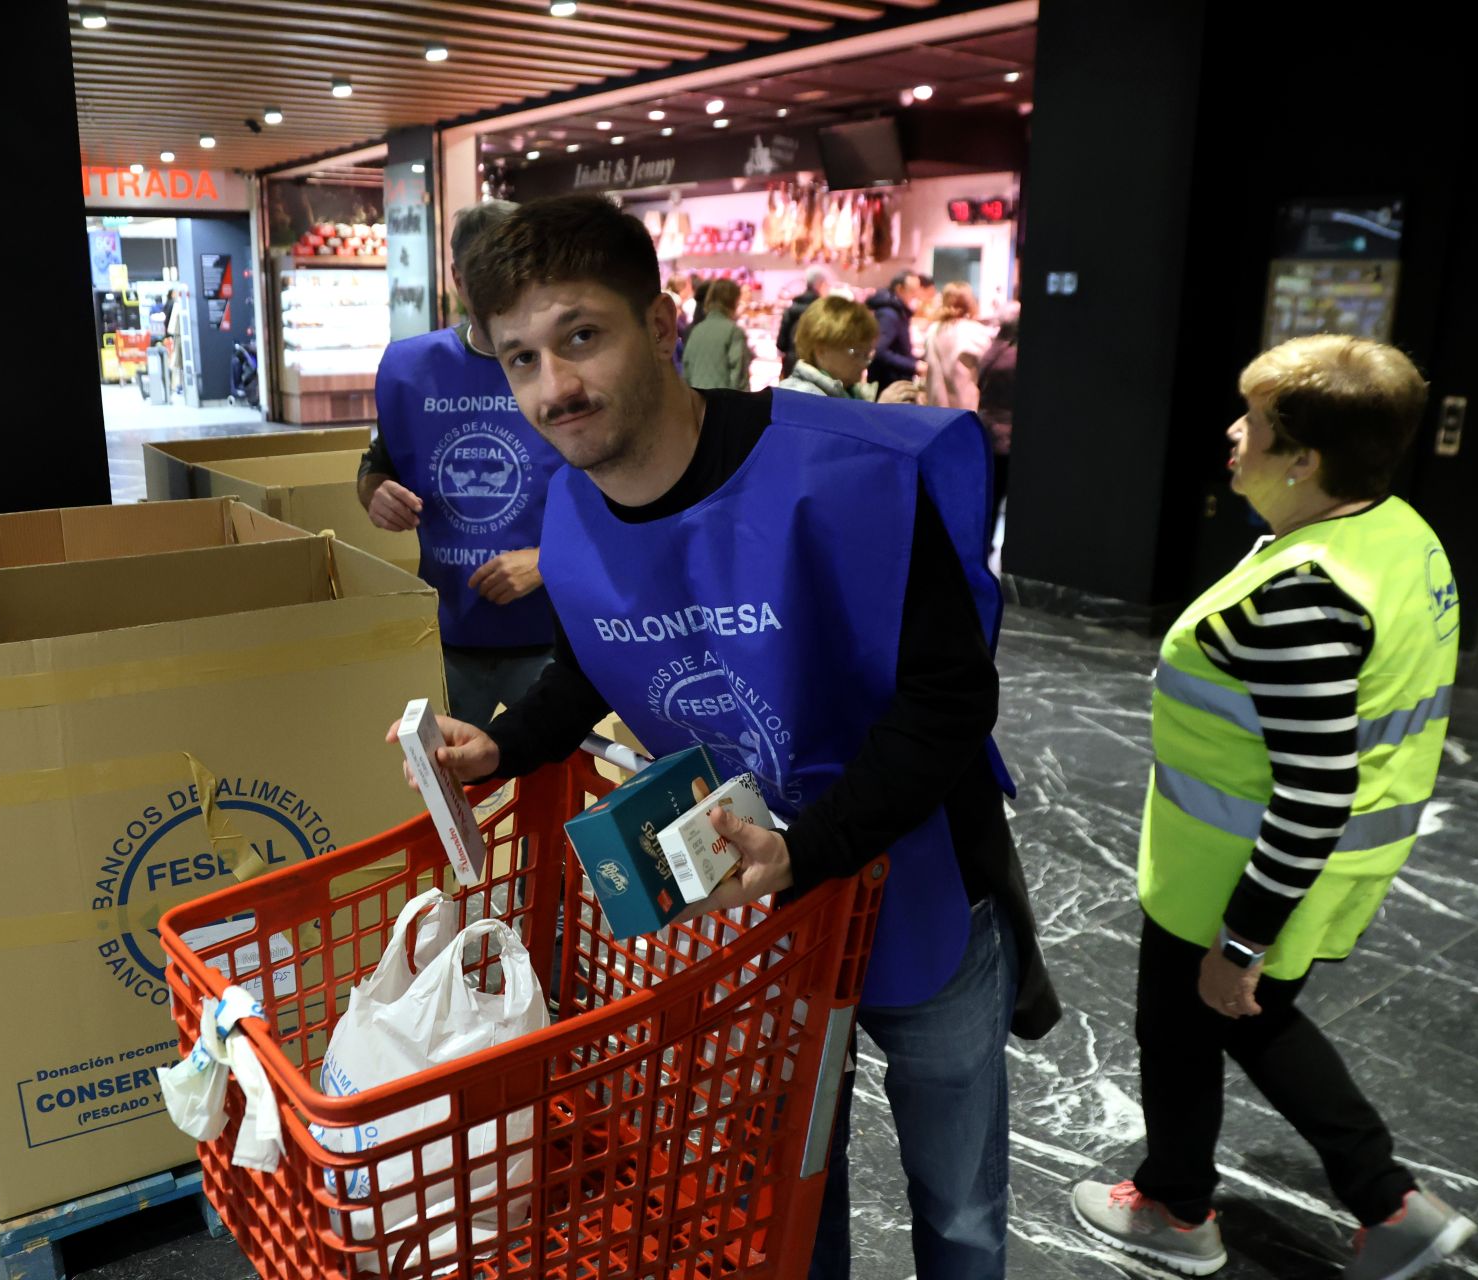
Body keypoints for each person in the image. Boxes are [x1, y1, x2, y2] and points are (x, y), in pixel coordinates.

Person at [389, 193, 1059, 1280]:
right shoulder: (569, 509)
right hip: (763, 922)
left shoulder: (852, 473)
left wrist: (812, 844)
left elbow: (947, 700)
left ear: (660, 328)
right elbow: (597, 655)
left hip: (921, 890)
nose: (554, 386)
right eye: (519, 359)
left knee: (963, 1208)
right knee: (796, 1196)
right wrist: (504, 746)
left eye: (581, 336)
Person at [1071, 335, 1476, 1280]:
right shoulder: (1399, 534)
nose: (1233, 432)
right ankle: (1388, 1203)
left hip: (1241, 872)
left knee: (1191, 1026)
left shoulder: (1301, 595)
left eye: (1253, 422)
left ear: (1304, 459)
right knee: (1250, 1021)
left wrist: (1242, 937)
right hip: (1334, 862)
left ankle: (1178, 1214)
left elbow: (1315, 784)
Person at [357, 201, 565, 729]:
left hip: (554, 638)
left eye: (516, 275)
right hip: (444, 635)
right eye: (485, 276)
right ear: (456, 276)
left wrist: (549, 560)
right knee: (440, 790)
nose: (501, 293)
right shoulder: (409, 370)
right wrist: (376, 493)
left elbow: (626, 499)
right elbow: (378, 466)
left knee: (547, 793)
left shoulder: (565, 372)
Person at [779, 296, 919, 405]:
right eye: (856, 353)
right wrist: (880, 413)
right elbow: (839, 440)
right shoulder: (800, 397)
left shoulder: (847, 390)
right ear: (821, 350)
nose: (865, 363)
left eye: (867, 354)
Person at [922, 283, 990, 414]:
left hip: (935, 411)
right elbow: (988, 369)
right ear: (970, 302)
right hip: (965, 411)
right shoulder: (976, 331)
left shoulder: (932, 330)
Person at [974, 303, 1018, 507]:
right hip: (1004, 434)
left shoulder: (993, 350)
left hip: (986, 429)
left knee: (989, 496)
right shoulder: (1012, 356)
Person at [681, 278, 752, 391]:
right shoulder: (734, 331)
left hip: (698, 402)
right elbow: (739, 378)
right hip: (724, 403)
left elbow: (686, 371)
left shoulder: (696, 330)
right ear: (733, 301)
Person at [864, 270, 925, 392]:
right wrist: (913, 365)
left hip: (893, 380)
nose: (916, 295)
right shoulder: (889, 314)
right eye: (912, 290)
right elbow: (880, 351)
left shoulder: (896, 311)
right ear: (900, 289)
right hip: (888, 383)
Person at [775, 266, 830, 366]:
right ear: (820, 284)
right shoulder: (825, 312)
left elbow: (781, 344)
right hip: (815, 369)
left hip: (792, 367)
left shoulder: (790, 309)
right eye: (826, 285)